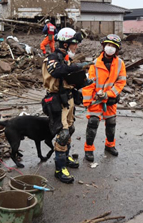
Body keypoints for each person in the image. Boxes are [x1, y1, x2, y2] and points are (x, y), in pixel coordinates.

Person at [41, 27, 92, 184]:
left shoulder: (66, 59)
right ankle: (59, 168)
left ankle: (66, 156)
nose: (76, 47)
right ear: (65, 45)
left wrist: (83, 81)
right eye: (73, 44)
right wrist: (79, 66)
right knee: (62, 135)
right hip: (57, 101)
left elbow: (67, 77)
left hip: (68, 99)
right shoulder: (52, 58)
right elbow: (57, 72)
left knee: (70, 129)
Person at [82, 34, 127, 162]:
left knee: (111, 123)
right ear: (104, 46)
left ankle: (110, 145)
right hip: (96, 99)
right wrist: (88, 101)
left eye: (113, 46)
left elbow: (121, 81)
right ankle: (89, 149)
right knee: (93, 123)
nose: (110, 48)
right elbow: (89, 82)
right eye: (108, 45)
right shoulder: (95, 63)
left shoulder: (119, 64)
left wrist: (110, 94)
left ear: (117, 50)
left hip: (110, 100)